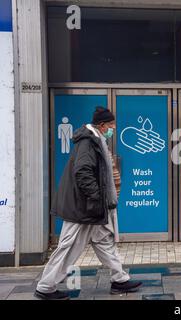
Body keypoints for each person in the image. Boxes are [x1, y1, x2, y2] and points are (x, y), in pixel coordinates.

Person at [35, 107, 142, 300]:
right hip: (83, 208)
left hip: (93, 207)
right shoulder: (88, 142)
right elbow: (83, 171)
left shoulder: (96, 141)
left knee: (103, 241)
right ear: (101, 126)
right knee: (68, 246)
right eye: (111, 125)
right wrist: (96, 197)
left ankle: (120, 279)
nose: (113, 129)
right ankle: (45, 287)